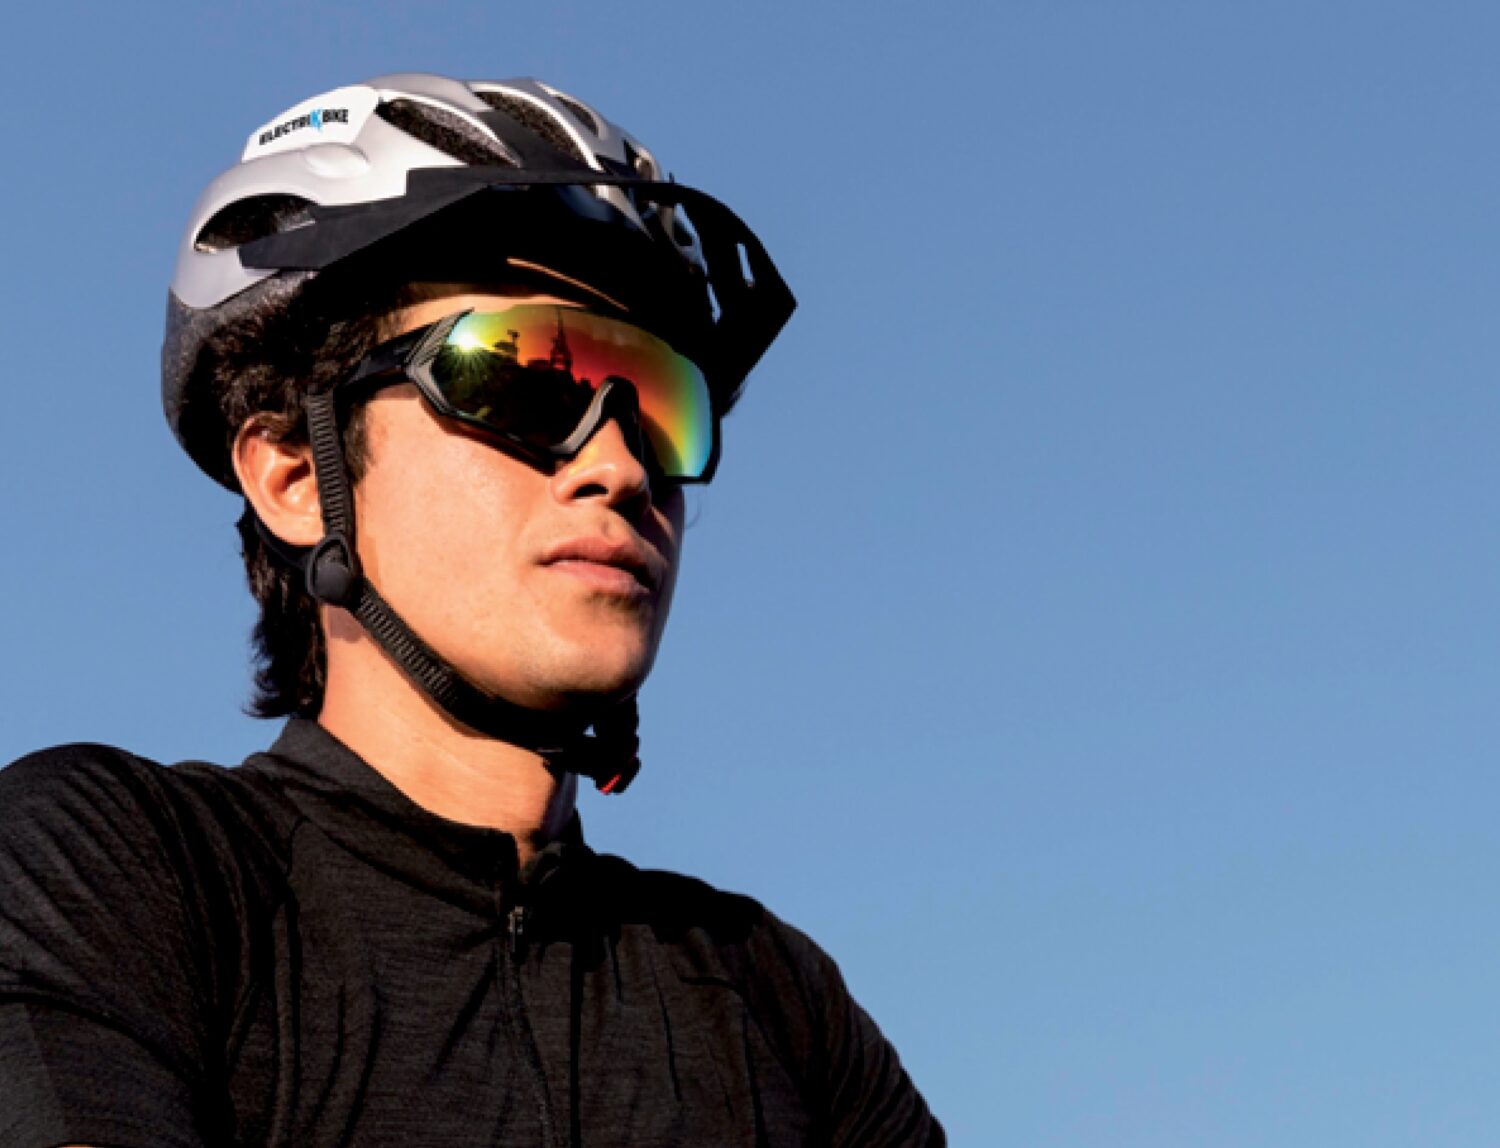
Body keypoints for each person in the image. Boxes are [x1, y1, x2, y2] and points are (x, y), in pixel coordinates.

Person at [0, 73, 943, 1147]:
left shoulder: (771, 993)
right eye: (525, 374)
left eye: (662, 405)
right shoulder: (122, 870)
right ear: (295, 473)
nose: (618, 464)